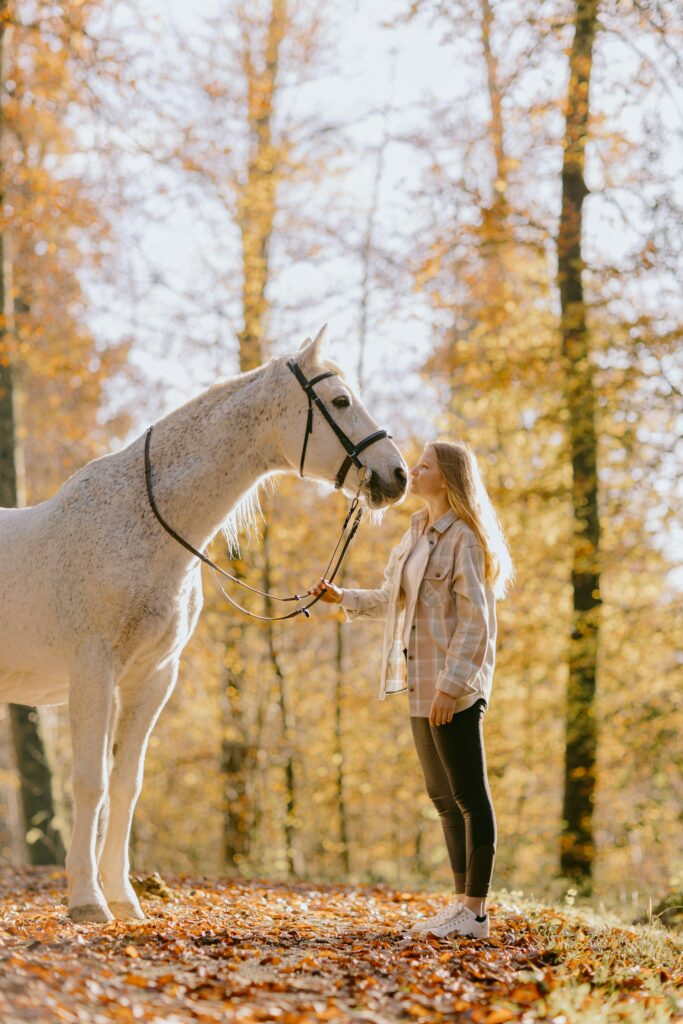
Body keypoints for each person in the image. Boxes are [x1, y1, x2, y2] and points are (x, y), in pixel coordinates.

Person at [310, 440, 513, 938]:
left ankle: (476, 912)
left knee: (470, 797)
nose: (413, 471)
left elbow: (477, 623)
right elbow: (390, 599)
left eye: (422, 466)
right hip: (420, 682)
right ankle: (461, 907)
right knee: (441, 797)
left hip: (452, 687)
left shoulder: (464, 538)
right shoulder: (417, 532)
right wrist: (343, 598)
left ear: (444, 479)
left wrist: (452, 687)